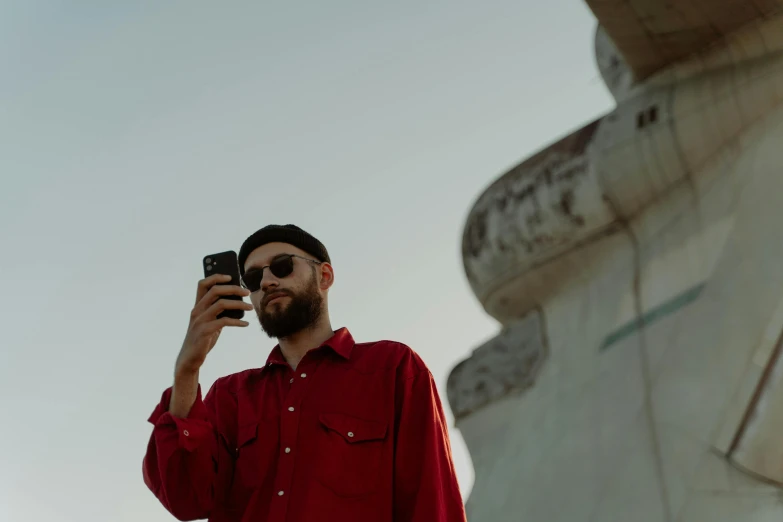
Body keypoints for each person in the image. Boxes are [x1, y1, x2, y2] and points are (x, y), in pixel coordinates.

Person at [142, 224, 467, 522]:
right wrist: (188, 368)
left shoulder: (393, 367)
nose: (267, 281)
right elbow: (184, 499)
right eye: (253, 279)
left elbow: (432, 502)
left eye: (282, 266)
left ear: (324, 276)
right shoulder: (231, 395)